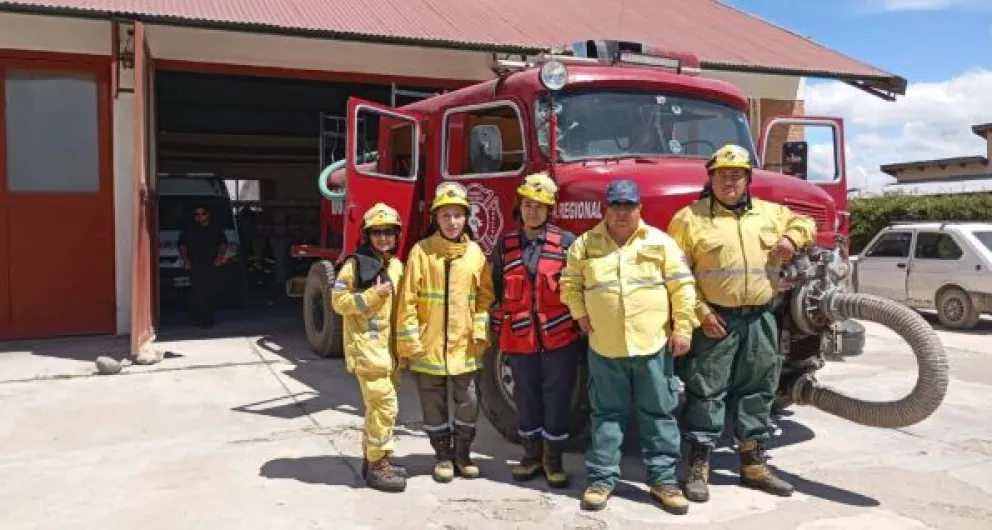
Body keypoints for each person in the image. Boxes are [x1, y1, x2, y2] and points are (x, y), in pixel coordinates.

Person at [667, 144, 816, 503]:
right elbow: (675, 275)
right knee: (706, 391)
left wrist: (791, 238)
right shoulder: (689, 219)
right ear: (711, 178)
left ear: (748, 178)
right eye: (722, 174)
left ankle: (753, 465)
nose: (729, 181)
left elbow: (807, 223)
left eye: (737, 174)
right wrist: (701, 312)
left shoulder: (770, 214)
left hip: (761, 317)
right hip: (715, 320)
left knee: (759, 389)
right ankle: (698, 465)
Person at [559, 179, 698, 515]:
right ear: (606, 208)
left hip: (652, 345)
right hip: (606, 347)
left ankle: (663, 480)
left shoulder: (660, 243)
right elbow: (569, 284)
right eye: (616, 206)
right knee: (606, 415)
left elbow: (682, 287)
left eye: (628, 206)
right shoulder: (585, 245)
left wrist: (683, 328)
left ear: (640, 208)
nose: (621, 213)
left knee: (658, 414)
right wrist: (579, 314)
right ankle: (602, 479)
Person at [395, 182, 495, 483]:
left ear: (467, 218)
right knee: (432, 402)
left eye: (458, 216)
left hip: (464, 344)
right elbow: (408, 298)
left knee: (469, 401)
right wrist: (409, 340)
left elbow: (485, 296)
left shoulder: (476, 253)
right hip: (430, 345)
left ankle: (463, 455)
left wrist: (480, 328)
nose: (452, 222)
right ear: (436, 219)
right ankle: (442, 457)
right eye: (446, 216)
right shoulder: (421, 252)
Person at [489, 173, 582, 489]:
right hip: (518, 337)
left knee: (557, 397)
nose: (533, 212)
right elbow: (497, 289)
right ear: (520, 207)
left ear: (550, 210)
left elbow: (576, 287)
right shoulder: (506, 245)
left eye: (540, 207)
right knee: (525, 396)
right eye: (528, 205)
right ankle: (530, 456)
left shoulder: (567, 244)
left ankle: (553, 459)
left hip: (558, 338)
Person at [331, 203, 408, 493]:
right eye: (377, 232)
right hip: (367, 351)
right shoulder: (355, 264)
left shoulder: (396, 265)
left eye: (388, 232)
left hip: (389, 353)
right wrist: (372, 295)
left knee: (378, 409)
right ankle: (378, 467)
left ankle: (376, 458)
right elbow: (339, 302)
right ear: (367, 235)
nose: (383, 238)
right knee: (385, 406)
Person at [178, 205, 228, 327]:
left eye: (203, 213)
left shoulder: (215, 229)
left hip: (211, 264)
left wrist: (219, 258)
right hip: (195, 265)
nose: (200, 216)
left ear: (208, 214)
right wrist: (186, 260)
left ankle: (207, 316)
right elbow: (182, 246)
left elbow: (222, 244)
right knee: (198, 292)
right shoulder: (189, 229)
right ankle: (203, 318)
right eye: (197, 214)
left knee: (211, 291)